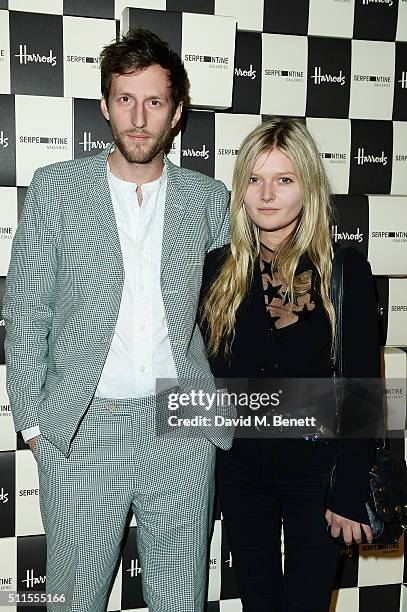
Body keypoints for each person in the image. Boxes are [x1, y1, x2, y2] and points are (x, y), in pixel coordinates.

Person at [3, 28, 232, 612]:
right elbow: (24, 310)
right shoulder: (57, 188)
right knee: (68, 600)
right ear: (104, 104)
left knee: (181, 598)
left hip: (181, 428)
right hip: (81, 430)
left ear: (176, 113)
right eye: (124, 99)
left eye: (154, 101)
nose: (137, 117)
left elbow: (236, 310)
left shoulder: (208, 199)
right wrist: (34, 427)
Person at [199, 118, 382, 612]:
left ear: (308, 187)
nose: (267, 194)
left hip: (317, 471)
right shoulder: (218, 269)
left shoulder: (342, 270)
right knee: (258, 602)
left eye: (284, 179)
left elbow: (363, 385)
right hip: (240, 471)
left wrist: (347, 489)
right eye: (255, 179)